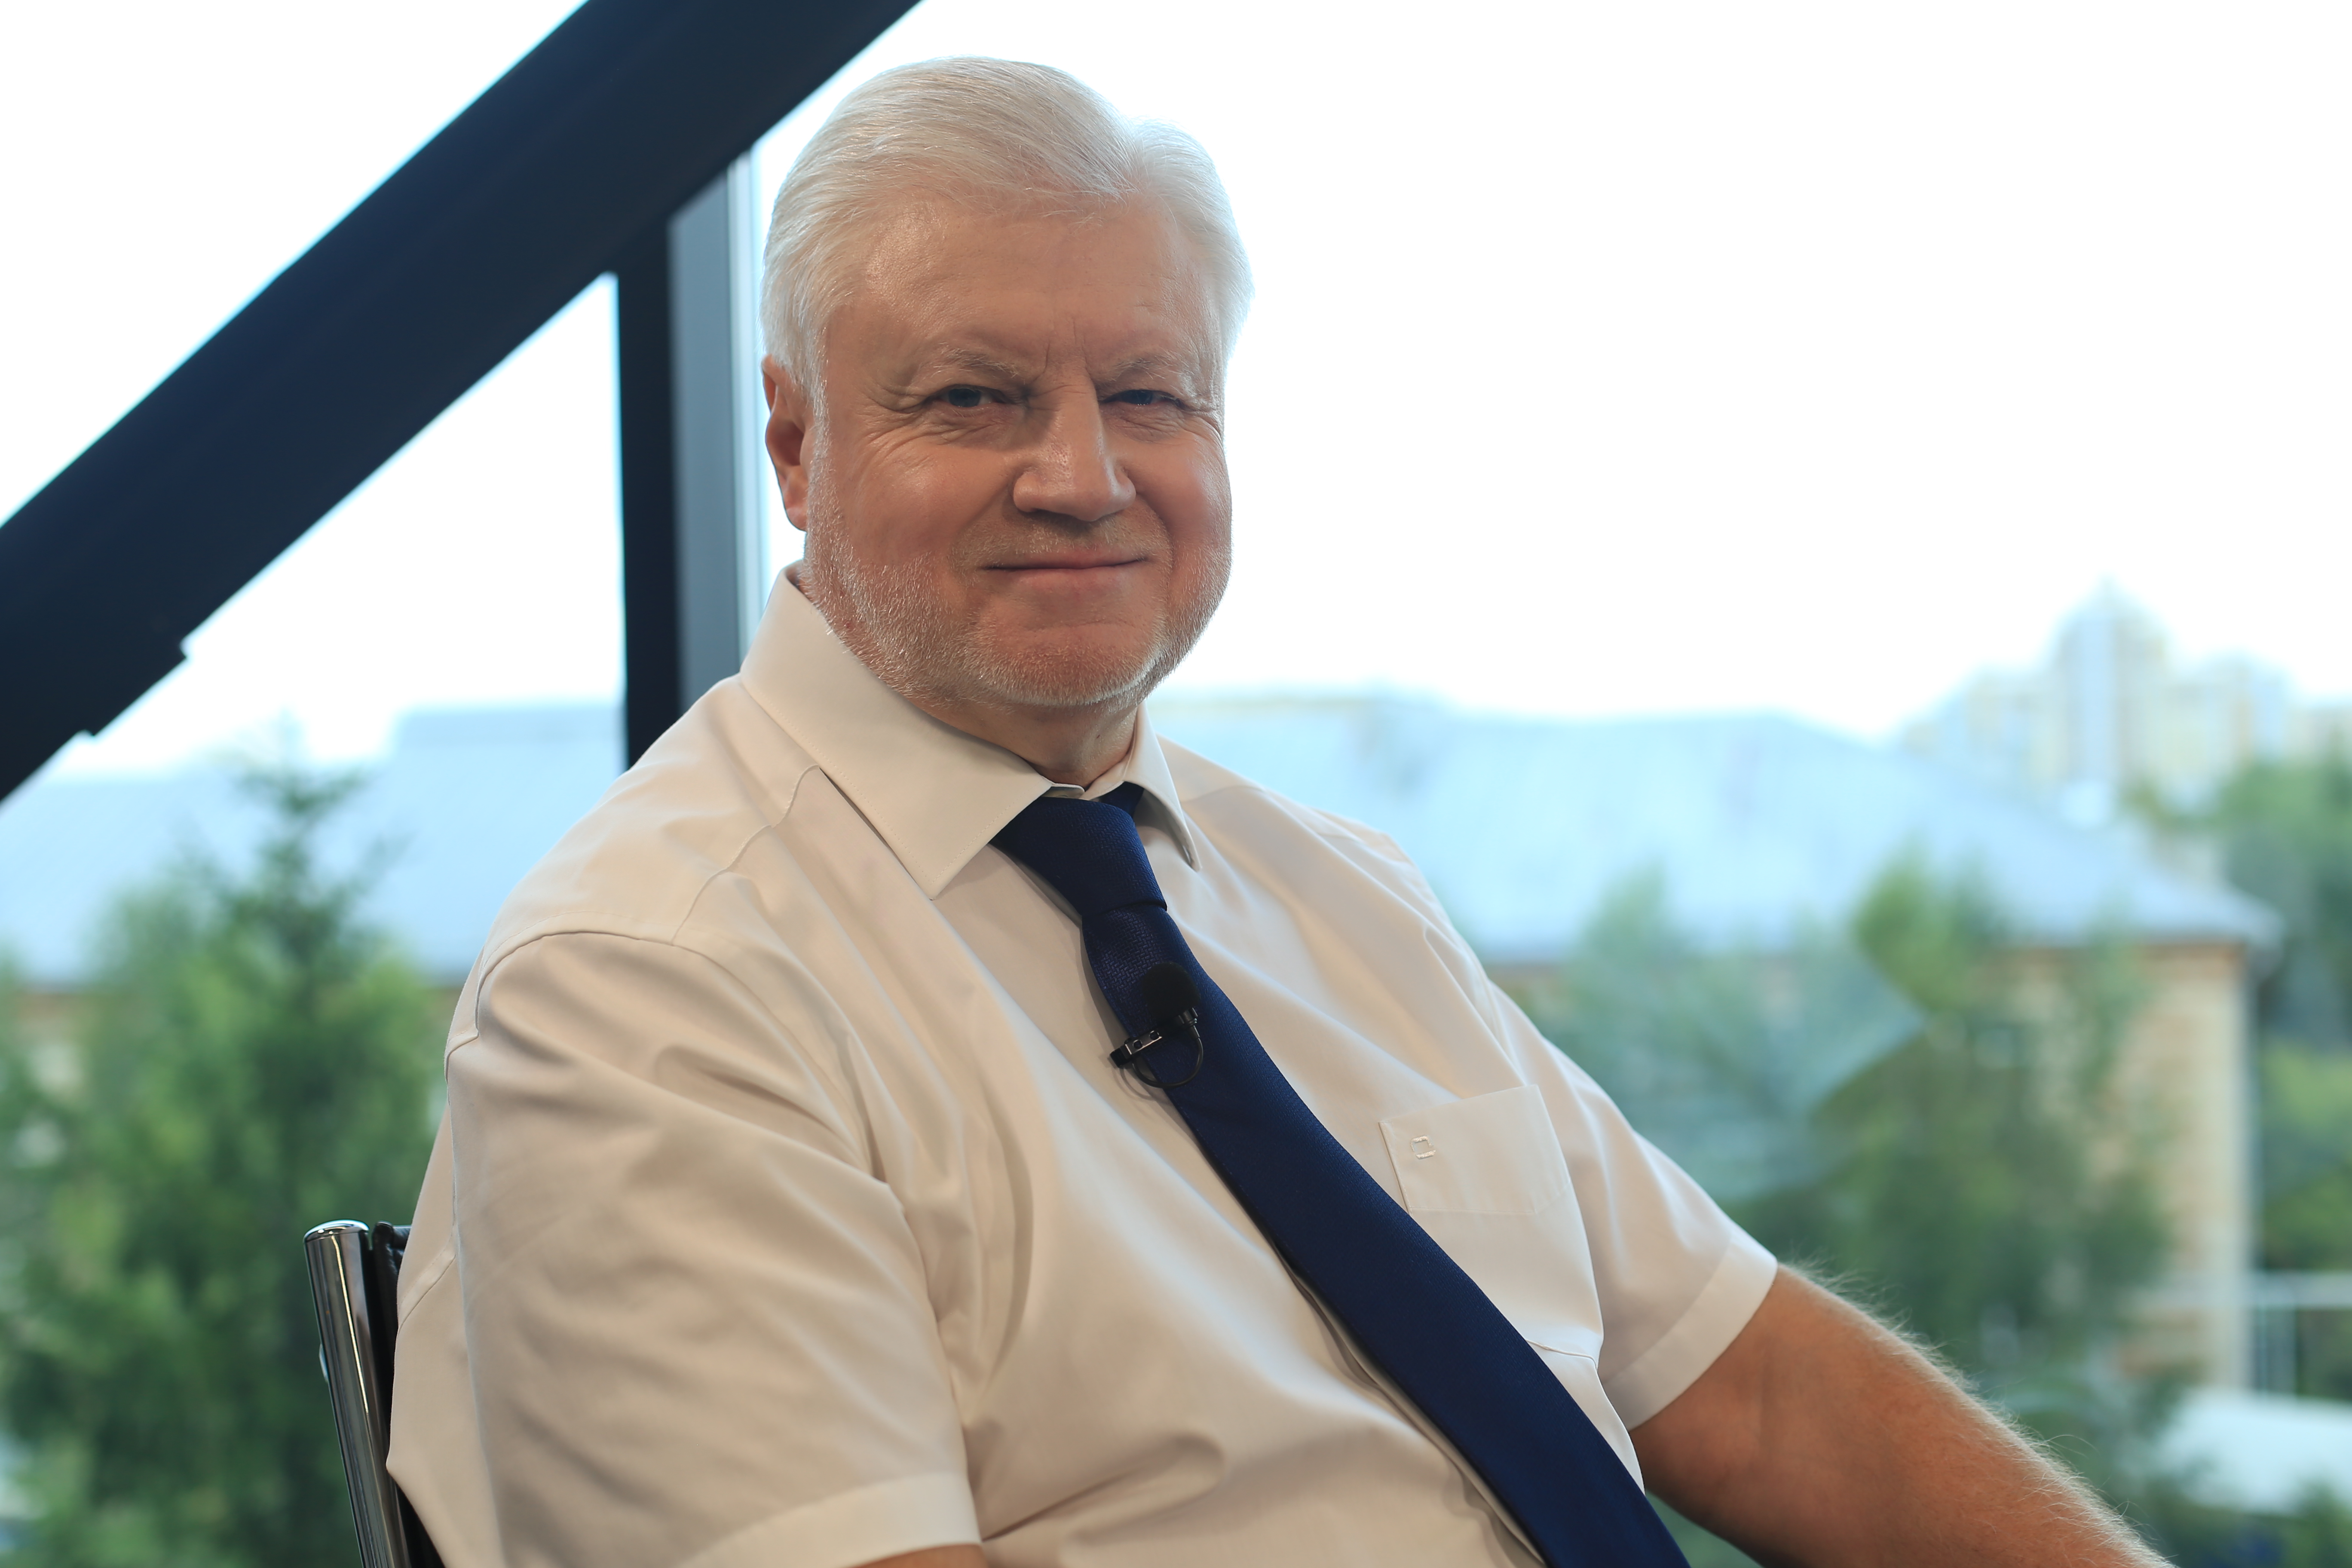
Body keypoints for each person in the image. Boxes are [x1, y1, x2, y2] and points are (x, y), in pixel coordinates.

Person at [387, 57, 2164, 1568]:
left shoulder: (1336, 896)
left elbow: (1764, 1393)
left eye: (1148, 396)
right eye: (975, 398)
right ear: (794, 446)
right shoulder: (649, 991)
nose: (1082, 476)